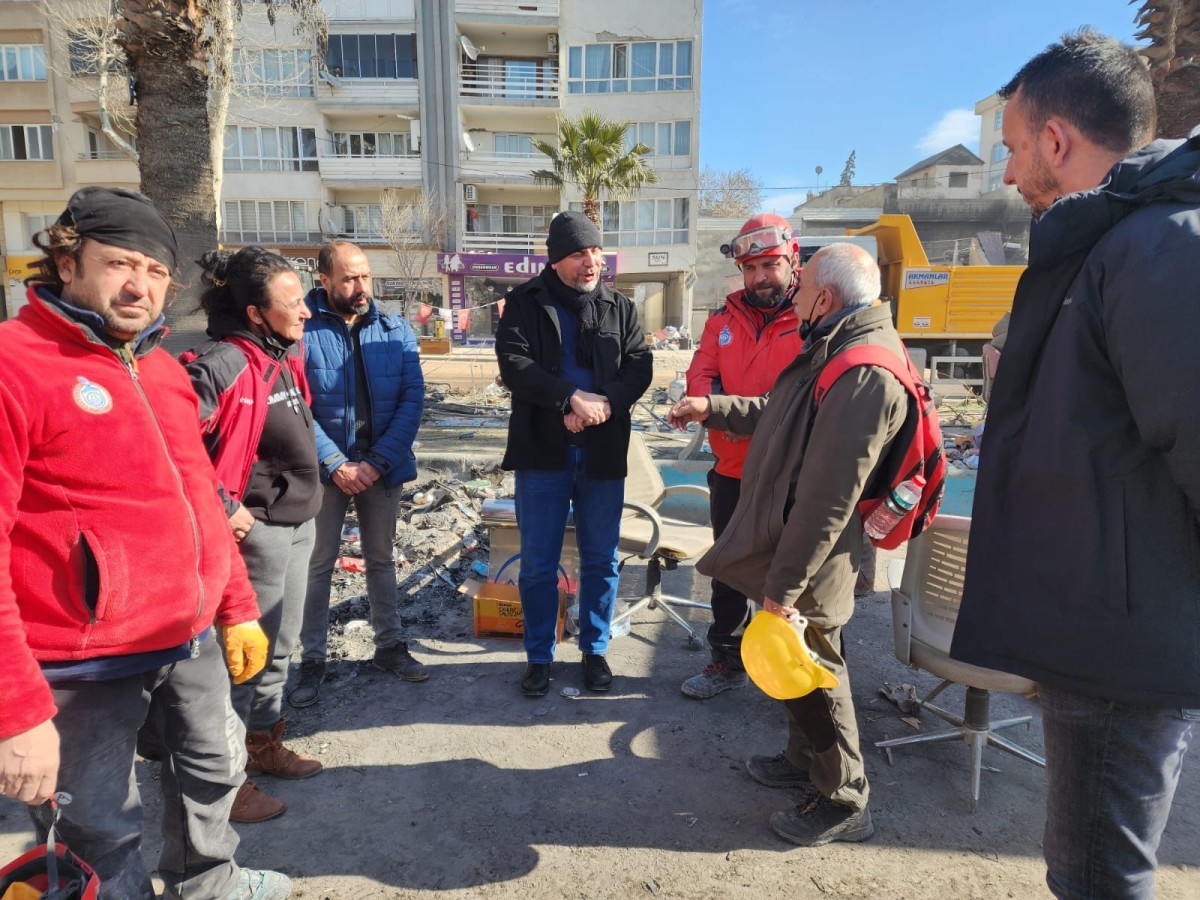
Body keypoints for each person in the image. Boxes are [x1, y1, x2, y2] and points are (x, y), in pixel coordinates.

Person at [950, 31, 1200, 899]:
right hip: (1101, 629)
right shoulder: (1113, 248)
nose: (1013, 174)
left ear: (1056, 141)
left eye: (1015, 149)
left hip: (1119, 646)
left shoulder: (1159, 246)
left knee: (1097, 878)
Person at [0, 186, 290, 899]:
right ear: (67, 263)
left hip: (185, 637)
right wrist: (17, 710)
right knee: (100, 826)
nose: (140, 285)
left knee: (215, 771)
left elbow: (199, 500)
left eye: (156, 272)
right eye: (120, 263)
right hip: (79, 661)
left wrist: (236, 605)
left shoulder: (161, 368)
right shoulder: (15, 362)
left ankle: (210, 885)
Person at [670, 244, 909, 847]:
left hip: (815, 556)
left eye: (802, 291)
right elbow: (776, 411)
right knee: (798, 667)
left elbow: (829, 499)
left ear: (824, 298)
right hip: (799, 545)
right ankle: (804, 760)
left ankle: (845, 798)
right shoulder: (838, 349)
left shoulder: (863, 371)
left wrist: (783, 589)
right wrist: (712, 406)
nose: (795, 298)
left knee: (816, 669)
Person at [183, 247, 324, 823]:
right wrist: (224, 504)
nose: (306, 313)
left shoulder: (281, 356)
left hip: (298, 524)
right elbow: (175, 446)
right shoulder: (220, 364)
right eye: (293, 304)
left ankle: (263, 747)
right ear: (256, 311)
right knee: (243, 657)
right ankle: (228, 782)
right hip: (257, 533)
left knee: (280, 649)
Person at [495, 211, 652, 697]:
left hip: (602, 451)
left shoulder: (619, 307)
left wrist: (601, 403)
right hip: (544, 452)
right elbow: (515, 365)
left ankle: (594, 650)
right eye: (579, 253)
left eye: (596, 251)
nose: (591, 262)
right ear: (557, 259)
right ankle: (539, 656)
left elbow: (640, 366)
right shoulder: (524, 303)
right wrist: (568, 399)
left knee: (601, 559)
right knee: (540, 562)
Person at [292, 240, 427, 707]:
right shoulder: (300, 330)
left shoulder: (394, 327)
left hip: (380, 469)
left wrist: (375, 463)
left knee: (381, 558)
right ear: (324, 280)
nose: (360, 286)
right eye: (348, 278)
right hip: (323, 472)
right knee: (318, 564)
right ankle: (311, 660)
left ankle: (389, 645)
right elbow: (296, 405)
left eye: (365, 276)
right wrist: (335, 463)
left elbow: (412, 401)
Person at [679, 213, 802, 700]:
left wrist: (721, 409)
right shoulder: (722, 321)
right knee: (729, 571)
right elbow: (700, 377)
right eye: (750, 269)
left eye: (769, 265)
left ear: (792, 259)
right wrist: (713, 405)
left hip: (795, 475)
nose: (759, 278)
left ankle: (797, 671)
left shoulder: (813, 318)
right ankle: (727, 661)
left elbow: (799, 403)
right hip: (731, 470)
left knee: (795, 577)